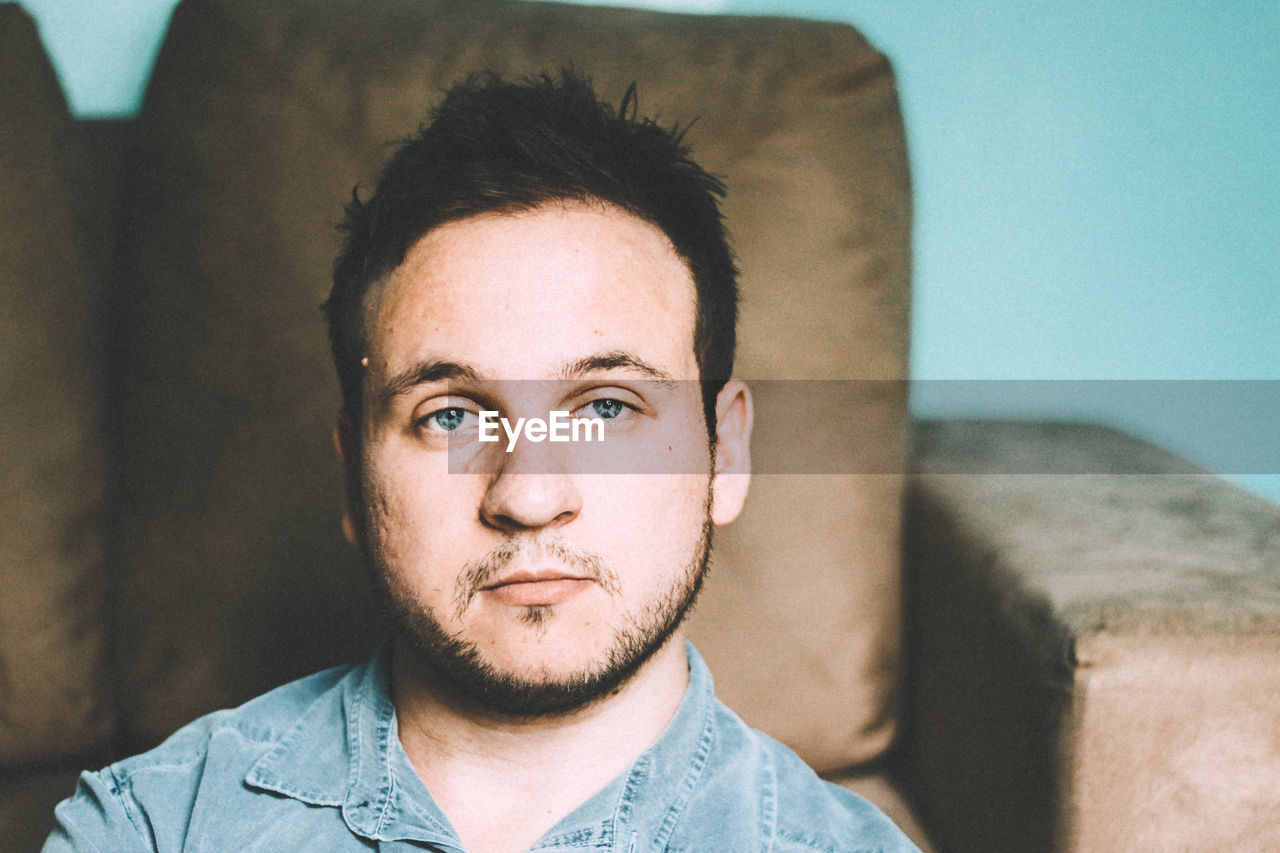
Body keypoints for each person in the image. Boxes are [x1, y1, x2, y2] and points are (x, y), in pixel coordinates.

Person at [44, 70, 918, 853]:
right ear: (354, 473)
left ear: (724, 452)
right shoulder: (151, 826)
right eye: (452, 415)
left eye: (607, 406)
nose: (529, 493)